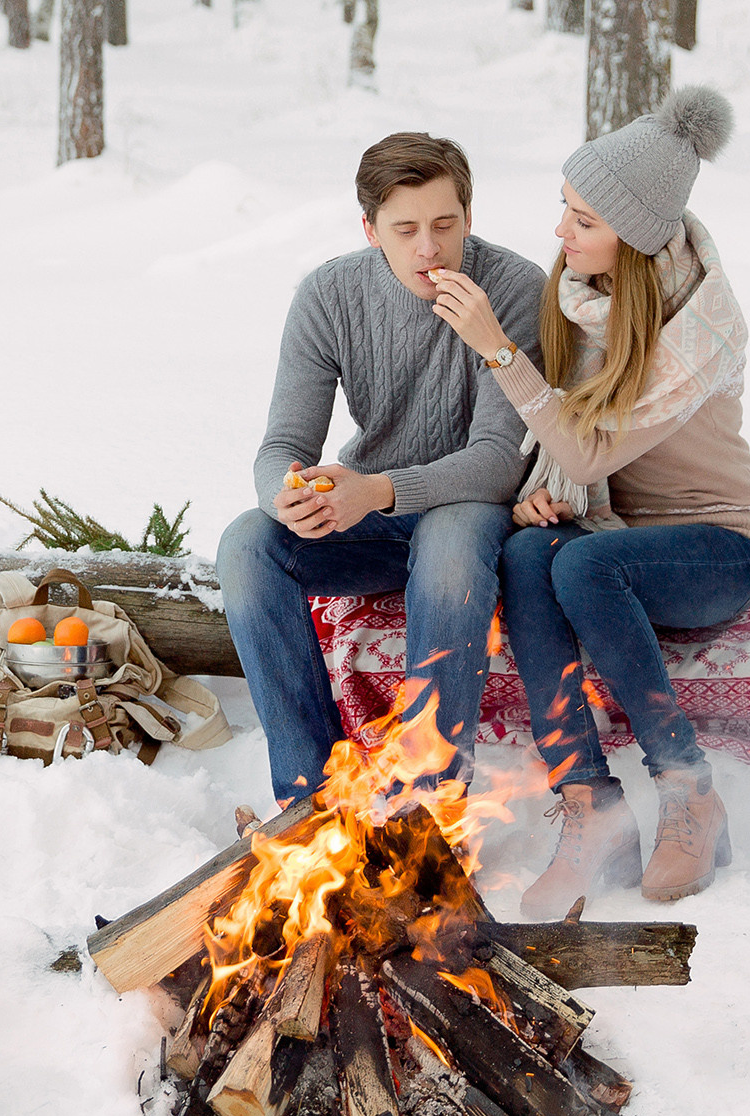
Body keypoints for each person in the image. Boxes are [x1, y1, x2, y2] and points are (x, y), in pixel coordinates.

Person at [423, 86, 750, 915]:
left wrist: (498, 350)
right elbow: (566, 455)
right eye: (564, 209)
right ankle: (591, 805)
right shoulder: (581, 295)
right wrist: (536, 502)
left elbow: (582, 444)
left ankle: (689, 790)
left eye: (583, 220)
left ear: (636, 236)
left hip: (718, 548)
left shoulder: (699, 326)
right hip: (616, 539)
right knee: (525, 552)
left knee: (582, 566)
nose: (560, 232)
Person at [218, 133, 547, 809]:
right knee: (247, 544)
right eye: (406, 229)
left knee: (452, 547)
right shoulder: (330, 295)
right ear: (370, 230)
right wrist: (287, 493)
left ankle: (430, 801)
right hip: (368, 514)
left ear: (469, 217)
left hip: (469, 505)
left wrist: (378, 491)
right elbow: (282, 441)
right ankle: (310, 802)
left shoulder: (514, 288)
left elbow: (495, 460)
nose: (430, 247)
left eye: (444, 224)